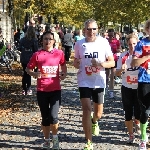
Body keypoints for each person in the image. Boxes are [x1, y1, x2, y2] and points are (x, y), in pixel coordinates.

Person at [73, 19, 115, 150]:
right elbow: (75, 61)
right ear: (84, 30)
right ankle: (89, 142)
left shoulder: (103, 42)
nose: (91, 32)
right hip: (84, 80)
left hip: (99, 81)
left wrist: (100, 64)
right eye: (89, 29)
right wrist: (76, 63)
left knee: (98, 114)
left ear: (98, 30)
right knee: (86, 109)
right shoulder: (79, 44)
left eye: (94, 29)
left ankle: (94, 122)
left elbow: (112, 62)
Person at [26, 31, 67, 149]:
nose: (47, 41)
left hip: (55, 90)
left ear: (54, 41)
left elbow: (63, 66)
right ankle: (46, 140)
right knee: (45, 117)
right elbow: (28, 69)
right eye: (45, 39)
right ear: (42, 40)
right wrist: (34, 73)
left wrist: (64, 74)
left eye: (50, 39)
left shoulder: (59, 53)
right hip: (42, 90)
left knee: (54, 116)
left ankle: (55, 139)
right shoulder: (37, 54)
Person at [116, 34, 141, 144]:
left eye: (134, 44)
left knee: (139, 113)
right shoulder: (123, 56)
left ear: (138, 43)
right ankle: (131, 135)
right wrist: (121, 69)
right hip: (127, 88)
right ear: (127, 44)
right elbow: (116, 74)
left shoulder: (142, 56)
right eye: (130, 44)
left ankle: (138, 123)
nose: (132, 46)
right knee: (128, 113)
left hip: (139, 88)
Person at [131, 19, 150, 150]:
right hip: (145, 80)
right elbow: (134, 63)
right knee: (146, 111)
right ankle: (143, 138)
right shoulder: (141, 43)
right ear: (147, 29)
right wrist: (147, 56)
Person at [19, 26, 38, 95]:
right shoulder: (34, 40)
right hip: (31, 58)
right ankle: (29, 88)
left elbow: (19, 48)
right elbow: (36, 50)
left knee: (24, 73)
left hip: (23, 57)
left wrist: (25, 50)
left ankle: (24, 89)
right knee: (29, 73)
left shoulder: (23, 39)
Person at [106, 29, 121, 98]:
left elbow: (119, 49)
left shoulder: (116, 41)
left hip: (114, 59)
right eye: (109, 35)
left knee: (112, 76)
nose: (110, 37)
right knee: (106, 76)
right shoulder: (105, 41)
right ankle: (105, 88)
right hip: (106, 60)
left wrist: (118, 50)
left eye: (112, 35)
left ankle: (111, 90)